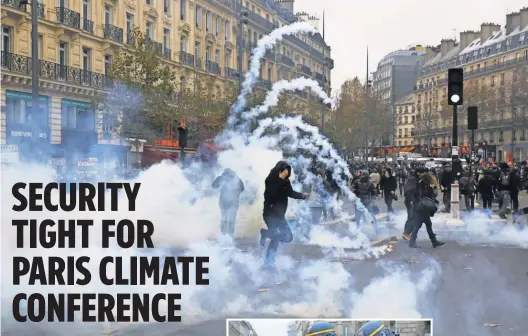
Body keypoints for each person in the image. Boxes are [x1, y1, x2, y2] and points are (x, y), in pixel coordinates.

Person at [260, 161, 308, 268]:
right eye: (284, 170)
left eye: (288, 171)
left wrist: (302, 196)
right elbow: (270, 195)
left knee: (288, 237)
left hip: (280, 215)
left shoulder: (285, 182)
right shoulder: (271, 180)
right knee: (276, 237)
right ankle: (269, 262)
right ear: (279, 170)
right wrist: (280, 181)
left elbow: (290, 193)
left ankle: (265, 234)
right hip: (270, 214)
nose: (286, 173)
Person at [409, 172, 445, 248]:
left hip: (422, 208)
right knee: (420, 225)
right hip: (421, 208)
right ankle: (413, 242)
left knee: (425, 224)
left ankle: (433, 241)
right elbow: (425, 195)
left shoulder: (421, 184)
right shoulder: (422, 185)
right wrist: (431, 189)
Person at [212, 168, 245, 236]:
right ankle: (225, 235)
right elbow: (214, 186)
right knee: (226, 218)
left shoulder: (236, 179)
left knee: (229, 219)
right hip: (225, 201)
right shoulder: (222, 178)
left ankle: (229, 235)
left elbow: (242, 188)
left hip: (232, 201)